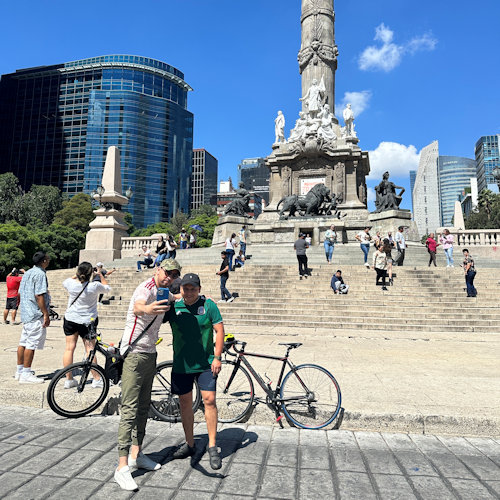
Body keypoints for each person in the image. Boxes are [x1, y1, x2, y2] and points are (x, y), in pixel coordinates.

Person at [114, 259, 181, 491]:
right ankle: (122, 466)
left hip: (150, 355)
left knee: (143, 407)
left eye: (173, 275)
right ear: (157, 270)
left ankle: (136, 453)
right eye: (167, 273)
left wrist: (200, 298)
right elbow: (138, 306)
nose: (169, 278)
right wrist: (149, 309)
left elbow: (178, 298)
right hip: (133, 354)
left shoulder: (165, 292)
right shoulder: (145, 288)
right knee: (130, 409)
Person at [163, 273, 225, 471]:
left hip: (205, 362)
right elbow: (154, 303)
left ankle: (213, 445)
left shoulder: (208, 305)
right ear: (180, 290)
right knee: (185, 403)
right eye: (185, 288)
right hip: (182, 363)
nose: (189, 292)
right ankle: (190, 443)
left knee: (209, 400)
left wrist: (217, 356)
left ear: (199, 289)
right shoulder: (173, 306)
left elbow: (220, 329)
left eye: (193, 289)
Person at [62, 262, 111, 389]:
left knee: (69, 348)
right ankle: (96, 378)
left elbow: (67, 280)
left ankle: (69, 379)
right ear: (91, 273)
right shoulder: (94, 286)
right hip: (87, 321)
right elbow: (107, 288)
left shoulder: (70, 283)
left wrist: (78, 275)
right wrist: (99, 274)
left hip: (71, 318)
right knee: (90, 349)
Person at [16, 251, 51, 384]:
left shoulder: (28, 273)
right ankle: (26, 372)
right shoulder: (40, 274)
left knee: (23, 342)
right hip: (35, 313)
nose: (48, 261)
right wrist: (46, 313)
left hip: (26, 312)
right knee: (31, 344)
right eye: (47, 259)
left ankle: (19, 370)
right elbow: (39, 295)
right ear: (43, 261)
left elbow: (20, 293)